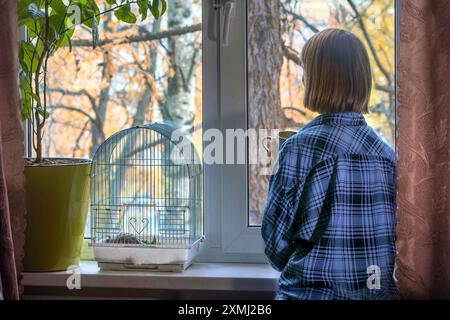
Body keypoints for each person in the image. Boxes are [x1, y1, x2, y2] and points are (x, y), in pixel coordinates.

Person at [262, 28, 399, 300]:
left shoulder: (297, 149)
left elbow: (276, 249)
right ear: (362, 80)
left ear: (315, 80)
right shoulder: (388, 155)